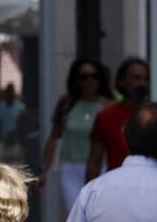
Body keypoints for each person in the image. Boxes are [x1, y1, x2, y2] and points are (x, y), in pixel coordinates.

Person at [87, 56, 157, 181]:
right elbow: (95, 160)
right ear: (122, 81)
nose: (142, 83)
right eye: (136, 78)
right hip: (117, 187)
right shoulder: (105, 116)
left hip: (155, 186)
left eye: (145, 79)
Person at [41, 58, 110, 210]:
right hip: (70, 169)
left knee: (96, 217)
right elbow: (53, 138)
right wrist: (43, 170)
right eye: (84, 77)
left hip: (100, 169)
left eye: (94, 76)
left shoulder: (107, 105)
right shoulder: (67, 103)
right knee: (75, 216)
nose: (89, 81)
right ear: (76, 80)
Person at [0, 83, 27, 161]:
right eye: (8, 92)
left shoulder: (19, 106)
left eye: (11, 92)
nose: (10, 94)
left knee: (15, 159)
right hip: (4, 139)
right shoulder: (1, 106)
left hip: (15, 139)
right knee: (5, 160)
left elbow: (22, 122)